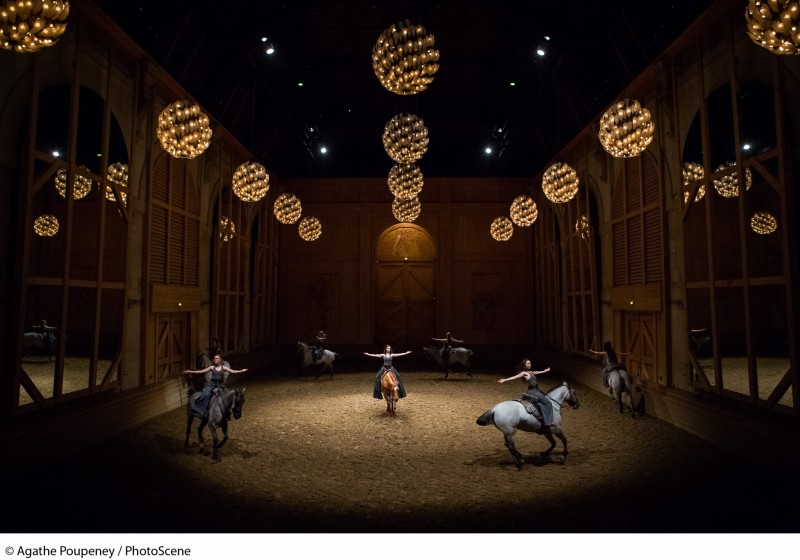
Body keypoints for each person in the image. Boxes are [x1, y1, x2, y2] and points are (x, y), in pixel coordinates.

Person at [182, 354, 247, 418]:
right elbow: (201, 371)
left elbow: (233, 371)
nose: (215, 359)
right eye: (214, 358)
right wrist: (190, 371)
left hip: (220, 385)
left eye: (217, 358)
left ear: (220, 360)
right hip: (212, 385)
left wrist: (241, 370)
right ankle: (202, 410)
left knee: (227, 396)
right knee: (206, 395)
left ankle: (227, 412)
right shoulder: (212, 367)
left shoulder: (224, 368)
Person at [497, 358, 553, 429]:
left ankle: (543, 418)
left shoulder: (530, 372)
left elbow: (537, 372)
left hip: (536, 390)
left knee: (543, 402)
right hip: (533, 391)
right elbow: (515, 377)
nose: (530, 365)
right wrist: (504, 380)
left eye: (530, 363)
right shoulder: (524, 373)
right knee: (548, 403)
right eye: (528, 363)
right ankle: (547, 422)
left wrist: (545, 371)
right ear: (524, 365)